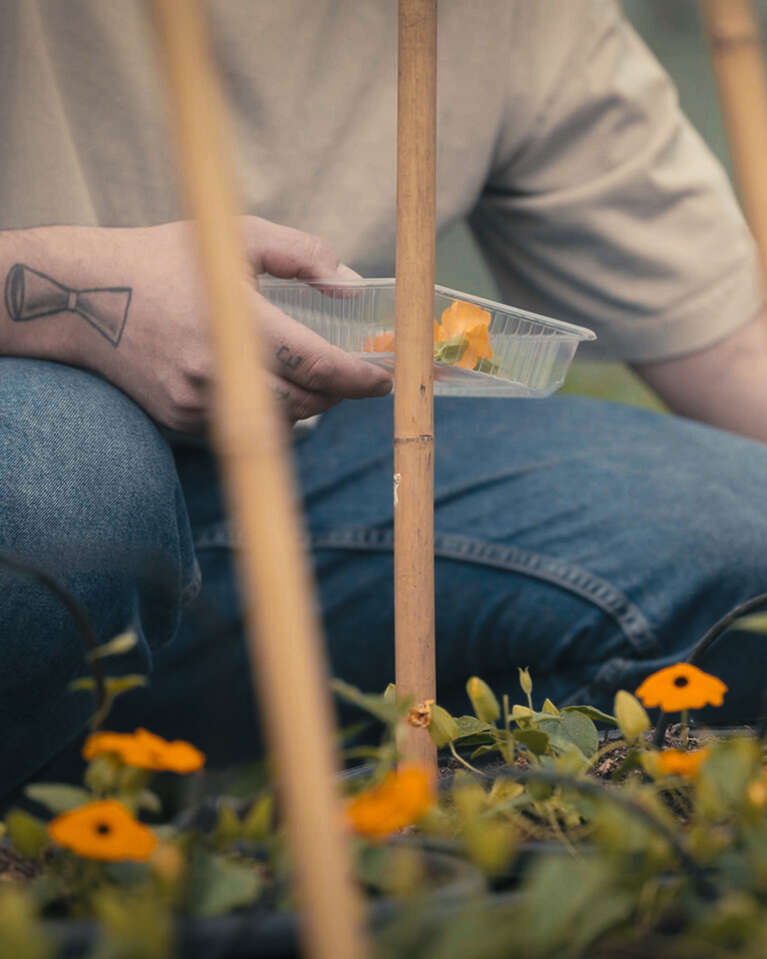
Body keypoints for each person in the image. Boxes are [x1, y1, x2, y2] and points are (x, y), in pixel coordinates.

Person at [2, 0, 767, 796]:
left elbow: (738, 351)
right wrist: (74, 295)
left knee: (746, 532)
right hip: (38, 483)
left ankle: (337, 808)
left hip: (295, 475)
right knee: (65, 487)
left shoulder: (506, 18)